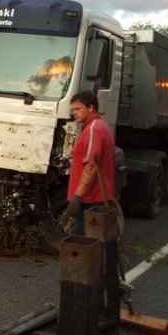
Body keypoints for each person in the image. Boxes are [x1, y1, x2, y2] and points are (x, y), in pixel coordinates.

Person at [66, 90, 116, 236]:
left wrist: (77, 197)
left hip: (91, 199)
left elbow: (92, 166)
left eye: (78, 109)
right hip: (96, 197)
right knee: (97, 242)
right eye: (73, 109)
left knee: (86, 245)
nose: (74, 113)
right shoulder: (99, 126)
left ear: (91, 107)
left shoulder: (93, 130)